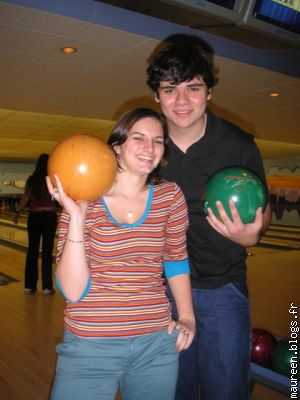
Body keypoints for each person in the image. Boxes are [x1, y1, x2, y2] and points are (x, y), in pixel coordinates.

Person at [146, 38, 272, 400]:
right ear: (157, 95)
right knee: (173, 391)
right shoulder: (147, 147)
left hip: (223, 287)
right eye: (170, 89)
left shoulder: (240, 145)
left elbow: (261, 217)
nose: (182, 101)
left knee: (226, 391)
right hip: (162, 292)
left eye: (193, 88)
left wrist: (253, 235)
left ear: (210, 92)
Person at [46, 107, 196, 400]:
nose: (149, 148)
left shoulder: (170, 196)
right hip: (90, 346)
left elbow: (176, 259)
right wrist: (77, 216)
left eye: (157, 140)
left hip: (156, 344)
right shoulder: (83, 197)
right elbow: (73, 291)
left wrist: (188, 318)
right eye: (138, 138)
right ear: (116, 146)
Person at [12, 153, 57, 295]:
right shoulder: (52, 179)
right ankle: (47, 287)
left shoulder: (32, 179)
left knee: (32, 250)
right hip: (49, 216)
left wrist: (17, 211)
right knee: (47, 252)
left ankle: (29, 286)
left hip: (35, 217)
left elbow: (26, 197)